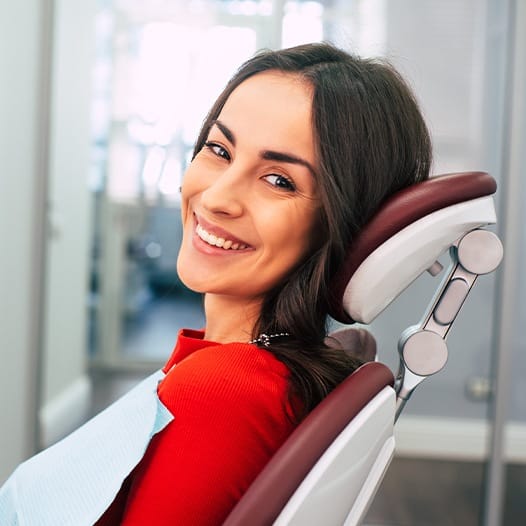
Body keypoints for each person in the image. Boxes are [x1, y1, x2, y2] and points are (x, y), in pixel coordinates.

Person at [0, 42, 431, 525]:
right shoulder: (246, 371)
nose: (218, 197)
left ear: (342, 224)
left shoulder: (223, 392)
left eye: (279, 180)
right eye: (219, 150)